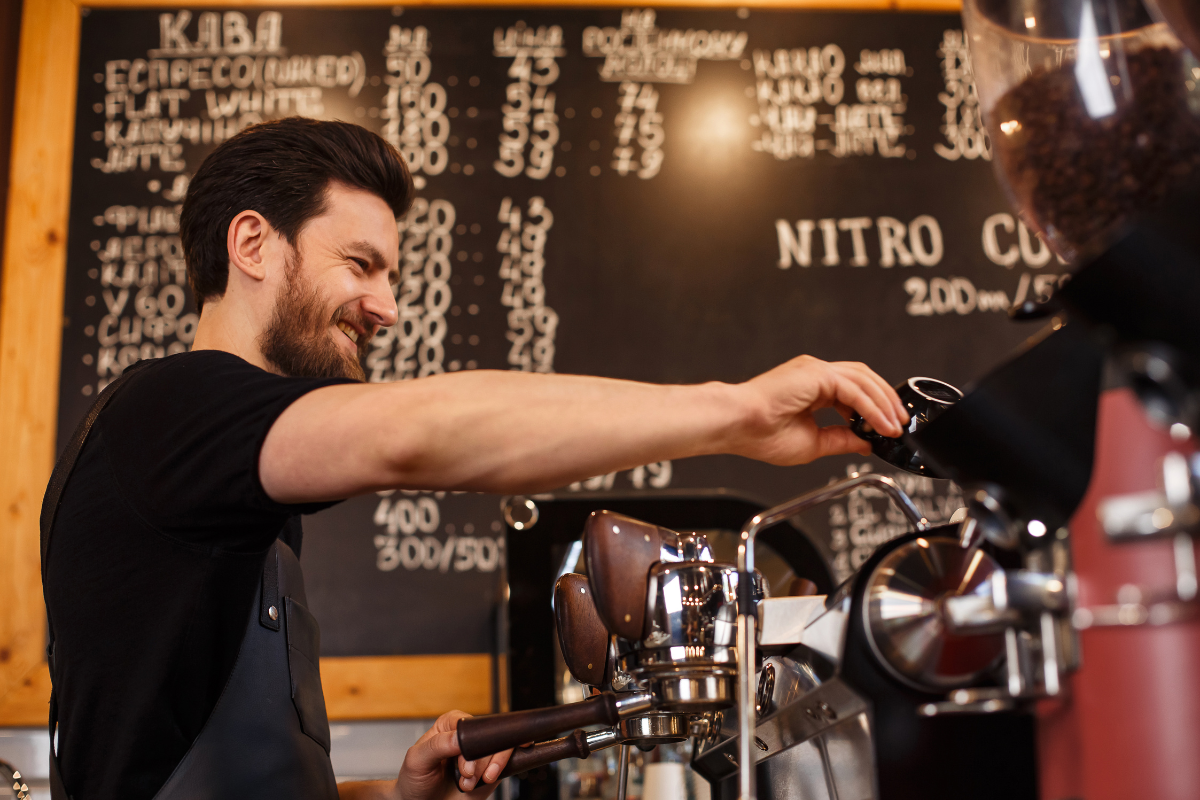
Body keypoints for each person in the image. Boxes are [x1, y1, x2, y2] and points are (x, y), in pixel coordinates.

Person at [41, 117, 909, 800]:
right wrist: (738, 413)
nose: (384, 307)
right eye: (360, 264)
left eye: (391, 276)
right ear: (254, 245)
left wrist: (398, 793)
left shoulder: (231, 488)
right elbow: (416, 434)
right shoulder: (169, 410)